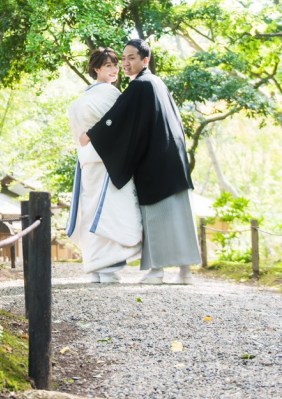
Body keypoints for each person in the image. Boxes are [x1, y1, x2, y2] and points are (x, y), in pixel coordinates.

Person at [80, 39, 201, 285]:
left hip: (154, 163)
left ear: (145, 60)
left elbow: (118, 118)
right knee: (178, 216)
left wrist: (92, 134)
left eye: (131, 58)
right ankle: (185, 272)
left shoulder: (141, 85)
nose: (125, 63)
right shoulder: (156, 83)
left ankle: (156, 271)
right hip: (173, 159)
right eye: (123, 58)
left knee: (155, 217)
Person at [66, 47, 142, 283]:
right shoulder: (112, 95)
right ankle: (106, 268)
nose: (114, 70)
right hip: (107, 161)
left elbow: (78, 136)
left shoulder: (79, 101)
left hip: (88, 160)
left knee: (93, 212)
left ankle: (96, 268)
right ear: (96, 69)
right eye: (108, 65)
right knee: (108, 212)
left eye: (115, 65)